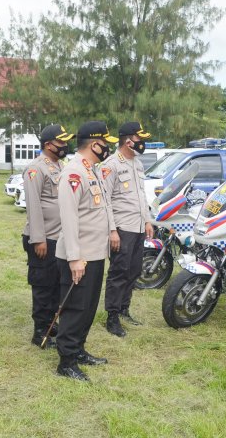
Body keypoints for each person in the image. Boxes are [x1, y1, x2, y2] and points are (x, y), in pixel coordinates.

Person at [55, 120, 118, 381]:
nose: (107, 148)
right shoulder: (74, 173)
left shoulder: (92, 170)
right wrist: (74, 258)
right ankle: (66, 362)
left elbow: (102, 209)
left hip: (93, 254)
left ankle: (78, 349)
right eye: (105, 144)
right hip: (78, 257)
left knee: (88, 307)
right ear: (95, 144)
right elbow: (69, 219)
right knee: (74, 309)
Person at [22, 124, 75, 348]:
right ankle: (40, 331)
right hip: (44, 238)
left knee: (56, 285)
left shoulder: (61, 165)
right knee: (43, 286)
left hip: (60, 237)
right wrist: (38, 239)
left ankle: (52, 324)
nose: (65, 146)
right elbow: (33, 206)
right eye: (61, 142)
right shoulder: (35, 168)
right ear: (48, 145)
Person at [100, 122, 153, 337]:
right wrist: (112, 230)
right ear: (128, 140)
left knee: (133, 271)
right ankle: (112, 317)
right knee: (119, 272)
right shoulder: (111, 164)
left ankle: (124, 308)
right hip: (122, 228)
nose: (143, 143)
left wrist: (148, 221)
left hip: (139, 226)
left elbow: (141, 195)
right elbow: (105, 201)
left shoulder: (137, 163)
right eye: (140, 139)